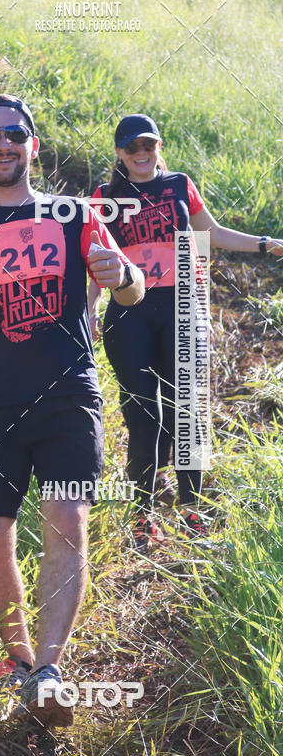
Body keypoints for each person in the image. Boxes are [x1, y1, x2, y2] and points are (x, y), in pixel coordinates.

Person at [0, 94, 144, 727]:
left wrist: (118, 268)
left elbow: (132, 286)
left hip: (70, 396)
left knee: (66, 521)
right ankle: (19, 663)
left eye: (15, 133)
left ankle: (49, 668)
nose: (3, 143)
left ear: (33, 145)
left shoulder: (74, 213)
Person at [89, 113, 283, 550]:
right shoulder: (104, 196)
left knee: (186, 411)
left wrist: (265, 243)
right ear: (120, 153)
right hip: (129, 310)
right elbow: (96, 259)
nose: (142, 153)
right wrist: (89, 310)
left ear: (158, 147)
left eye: (149, 145)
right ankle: (143, 514)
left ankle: (190, 506)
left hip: (182, 305)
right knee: (143, 415)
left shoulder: (179, 184)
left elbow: (210, 232)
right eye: (132, 147)